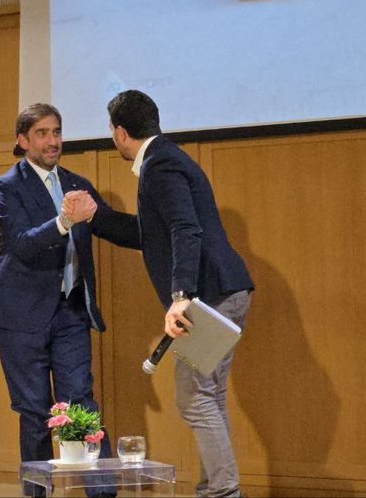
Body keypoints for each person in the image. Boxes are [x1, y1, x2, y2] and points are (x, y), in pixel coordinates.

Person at [78, 89, 255, 498]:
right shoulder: (166, 158)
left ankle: (223, 492)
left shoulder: (159, 165)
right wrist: (96, 216)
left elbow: (184, 228)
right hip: (222, 290)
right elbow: (151, 232)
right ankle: (215, 490)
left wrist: (181, 295)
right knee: (206, 396)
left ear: (120, 132)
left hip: (210, 294)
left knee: (194, 398)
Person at [0, 103, 139, 479]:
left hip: (70, 311)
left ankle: (101, 490)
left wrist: (161, 229)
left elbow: (110, 224)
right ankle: (38, 490)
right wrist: (65, 220)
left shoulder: (76, 183)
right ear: (23, 141)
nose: (53, 141)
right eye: (42, 133)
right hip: (21, 315)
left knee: (80, 402)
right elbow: (21, 244)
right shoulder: (8, 186)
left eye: (57, 132)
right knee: (35, 411)